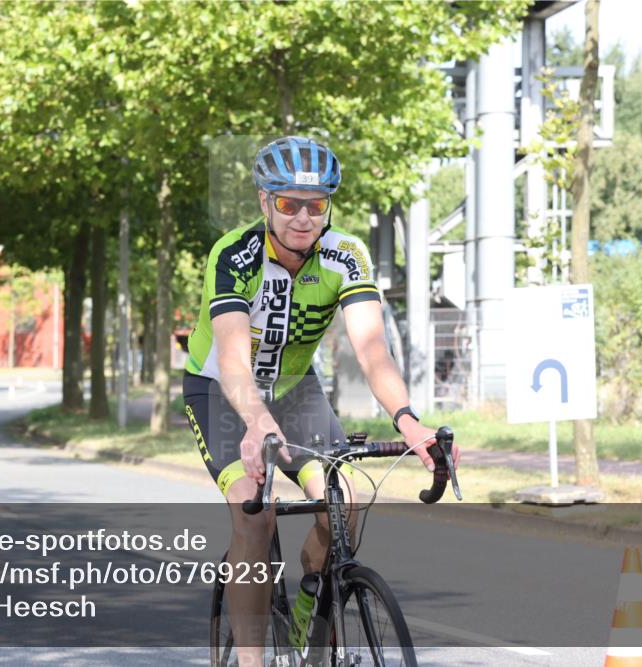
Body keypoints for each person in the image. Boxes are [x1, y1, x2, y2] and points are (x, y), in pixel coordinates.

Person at [183, 136, 460, 664]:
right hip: (222, 391)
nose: (303, 218)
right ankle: (251, 661)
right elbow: (236, 361)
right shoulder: (234, 255)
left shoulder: (344, 255)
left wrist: (409, 422)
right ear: (266, 202)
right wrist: (256, 423)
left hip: (292, 389)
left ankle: (312, 601)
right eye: (288, 204)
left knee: (343, 502)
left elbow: (374, 352)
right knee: (254, 513)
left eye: (316, 205)